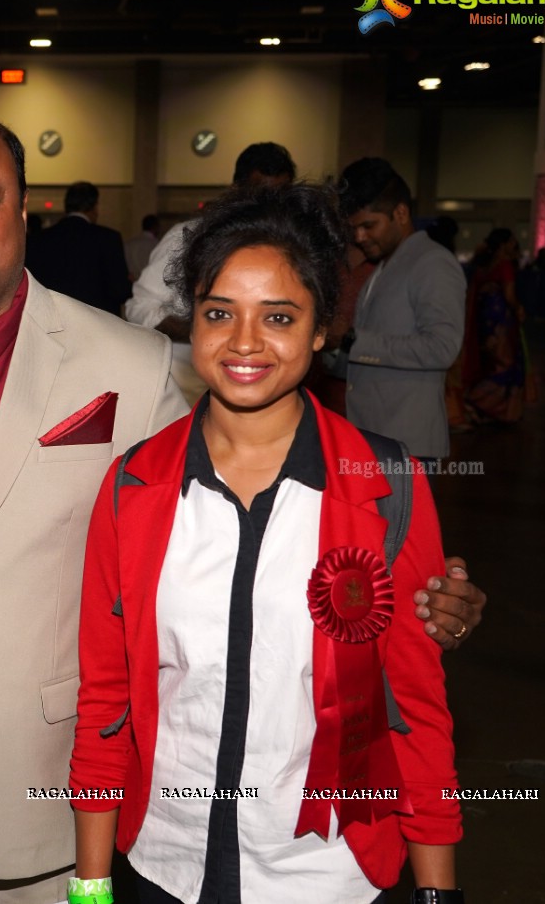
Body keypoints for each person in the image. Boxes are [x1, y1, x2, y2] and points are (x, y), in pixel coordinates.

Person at [0, 105, 485, 902]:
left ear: (21, 209)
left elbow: (225, 533)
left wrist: (412, 599)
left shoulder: (132, 362)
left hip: (45, 791)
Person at [71, 182, 461, 904]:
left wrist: (437, 891)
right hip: (165, 865)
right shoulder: (133, 486)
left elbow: (416, 708)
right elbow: (105, 700)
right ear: (193, 319)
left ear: (320, 330)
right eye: (219, 313)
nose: (244, 342)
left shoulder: (384, 484)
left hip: (326, 872)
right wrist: (91, 885)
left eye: (278, 316)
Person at [127, 143, 297, 403]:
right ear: (236, 190)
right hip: (187, 392)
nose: (268, 205)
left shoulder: (295, 249)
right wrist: (199, 326)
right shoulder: (187, 238)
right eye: (260, 193)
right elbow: (139, 308)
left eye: (279, 195)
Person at [340, 158, 466, 463]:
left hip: (407, 444)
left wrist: (353, 341)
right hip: (374, 437)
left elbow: (442, 348)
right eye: (354, 228)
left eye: (369, 226)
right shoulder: (385, 265)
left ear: (401, 213)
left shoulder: (432, 262)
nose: (360, 237)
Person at [25, 180, 132, 315]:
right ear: (94, 207)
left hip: (53, 322)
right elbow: (120, 290)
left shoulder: (38, 240)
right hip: (99, 323)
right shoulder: (108, 238)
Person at [464, 228, 525, 424]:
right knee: (504, 366)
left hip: (485, 323)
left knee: (491, 365)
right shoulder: (506, 265)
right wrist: (519, 309)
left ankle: (484, 407)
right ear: (504, 244)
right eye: (511, 241)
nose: (514, 245)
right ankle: (480, 402)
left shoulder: (484, 266)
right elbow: (508, 294)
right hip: (500, 324)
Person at [124, 213, 160, 282]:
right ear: (155, 227)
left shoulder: (129, 244)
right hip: (150, 284)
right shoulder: (158, 245)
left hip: (132, 283)